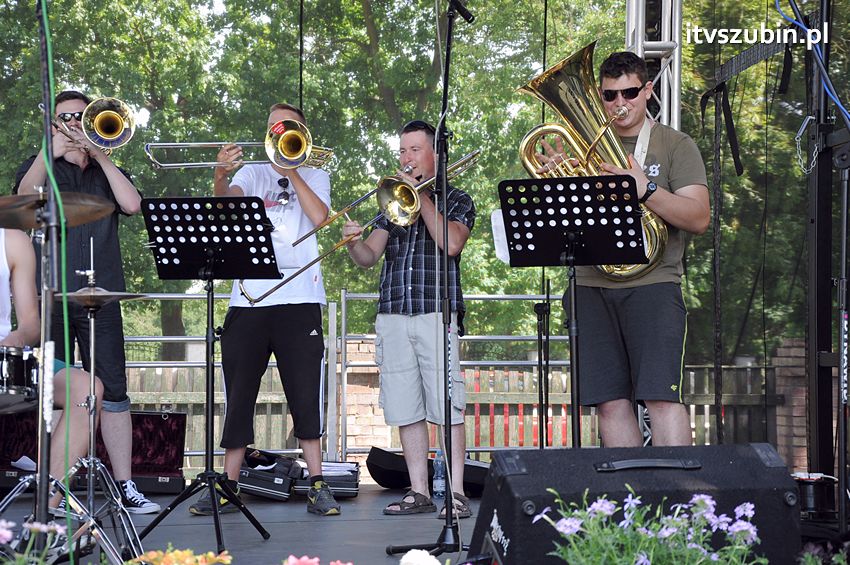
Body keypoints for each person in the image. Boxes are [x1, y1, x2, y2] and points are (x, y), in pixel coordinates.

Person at [537, 51, 710, 447]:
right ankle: (629, 505)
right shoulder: (583, 147)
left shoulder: (675, 145)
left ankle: (679, 503)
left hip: (654, 285)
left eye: (630, 92)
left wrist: (644, 189)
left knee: (661, 398)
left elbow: (698, 217)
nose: (620, 103)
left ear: (647, 91)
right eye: (610, 95)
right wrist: (559, 186)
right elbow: (563, 225)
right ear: (600, 96)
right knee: (610, 403)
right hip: (590, 285)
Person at [189, 102, 339, 517]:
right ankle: (228, 485)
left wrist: (291, 168)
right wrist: (219, 175)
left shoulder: (317, 174)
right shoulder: (252, 173)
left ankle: (317, 483)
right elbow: (225, 207)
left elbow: (321, 217)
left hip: (301, 299)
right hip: (249, 298)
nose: (282, 132)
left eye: (290, 127)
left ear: (303, 132)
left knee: (305, 395)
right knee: (238, 396)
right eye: (276, 126)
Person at [13, 90, 158, 513]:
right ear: (54, 123)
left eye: (81, 115)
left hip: (102, 297)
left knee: (113, 392)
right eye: (65, 118)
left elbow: (133, 204)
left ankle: (126, 485)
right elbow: (23, 197)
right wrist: (49, 149)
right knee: (59, 392)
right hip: (50, 298)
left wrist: (103, 154)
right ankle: (54, 490)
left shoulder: (107, 168)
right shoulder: (43, 166)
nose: (75, 122)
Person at [342, 120, 476, 519]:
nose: (405, 158)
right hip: (393, 314)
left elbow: (451, 244)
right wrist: (353, 242)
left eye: (414, 150)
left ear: (436, 155)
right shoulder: (390, 204)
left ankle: (455, 493)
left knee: (447, 406)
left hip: (437, 313)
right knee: (406, 409)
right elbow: (368, 258)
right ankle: (419, 492)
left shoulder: (457, 199)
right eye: (402, 150)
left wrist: (422, 199)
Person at [0, 228, 102, 508]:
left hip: (6, 356)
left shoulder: (12, 241)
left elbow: (31, 324)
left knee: (86, 388)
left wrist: (14, 341)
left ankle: (45, 515)